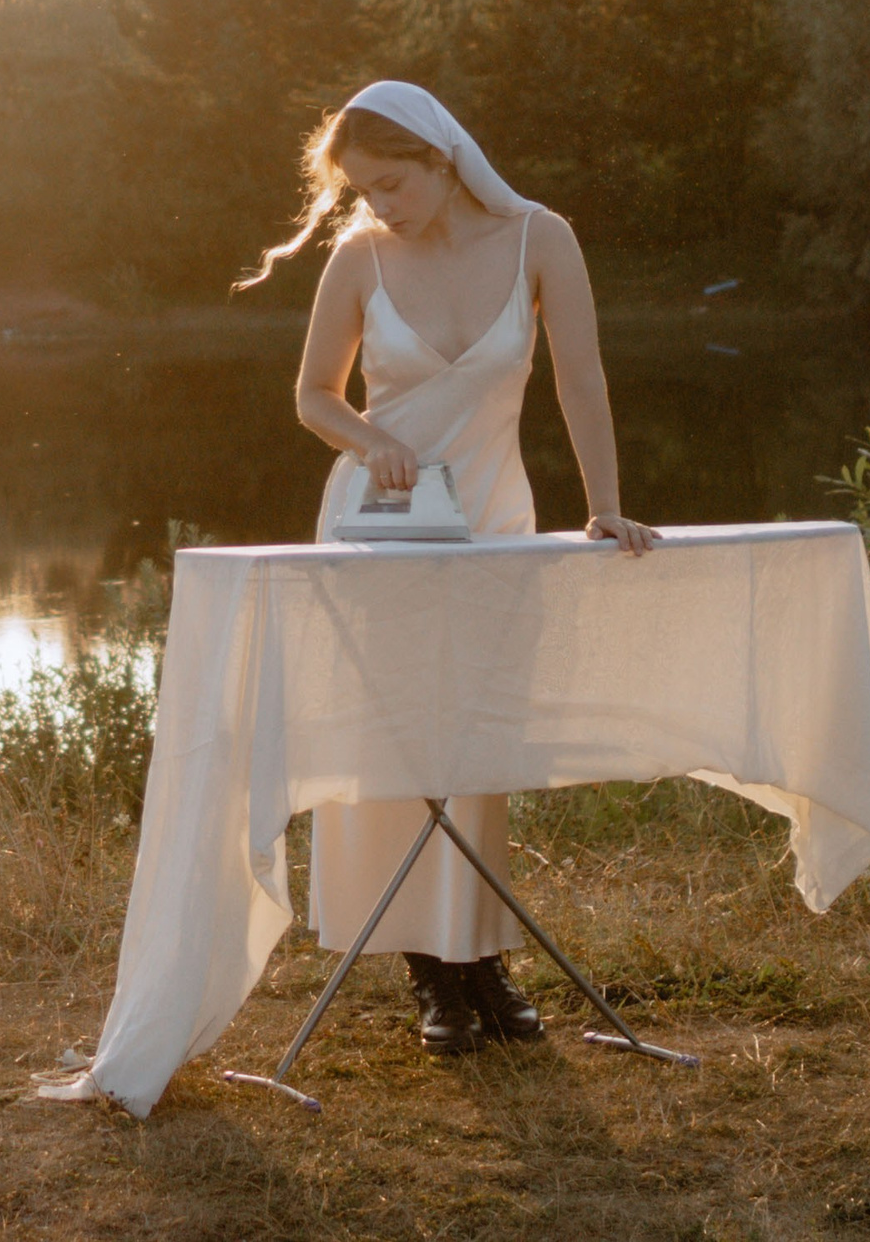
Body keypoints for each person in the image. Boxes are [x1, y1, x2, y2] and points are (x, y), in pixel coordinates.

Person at [243, 80, 660, 1053]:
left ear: (442, 158)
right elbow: (313, 396)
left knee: (475, 753)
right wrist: (365, 440)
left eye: (392, 183)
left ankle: (486, 964)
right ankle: (431, 978)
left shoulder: (538, 239)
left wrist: (601, 505)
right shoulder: (357, 258)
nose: (379, 204)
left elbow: (582, 379)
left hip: (494, 522)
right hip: (383, 523)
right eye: (363, 190)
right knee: (398, 750)